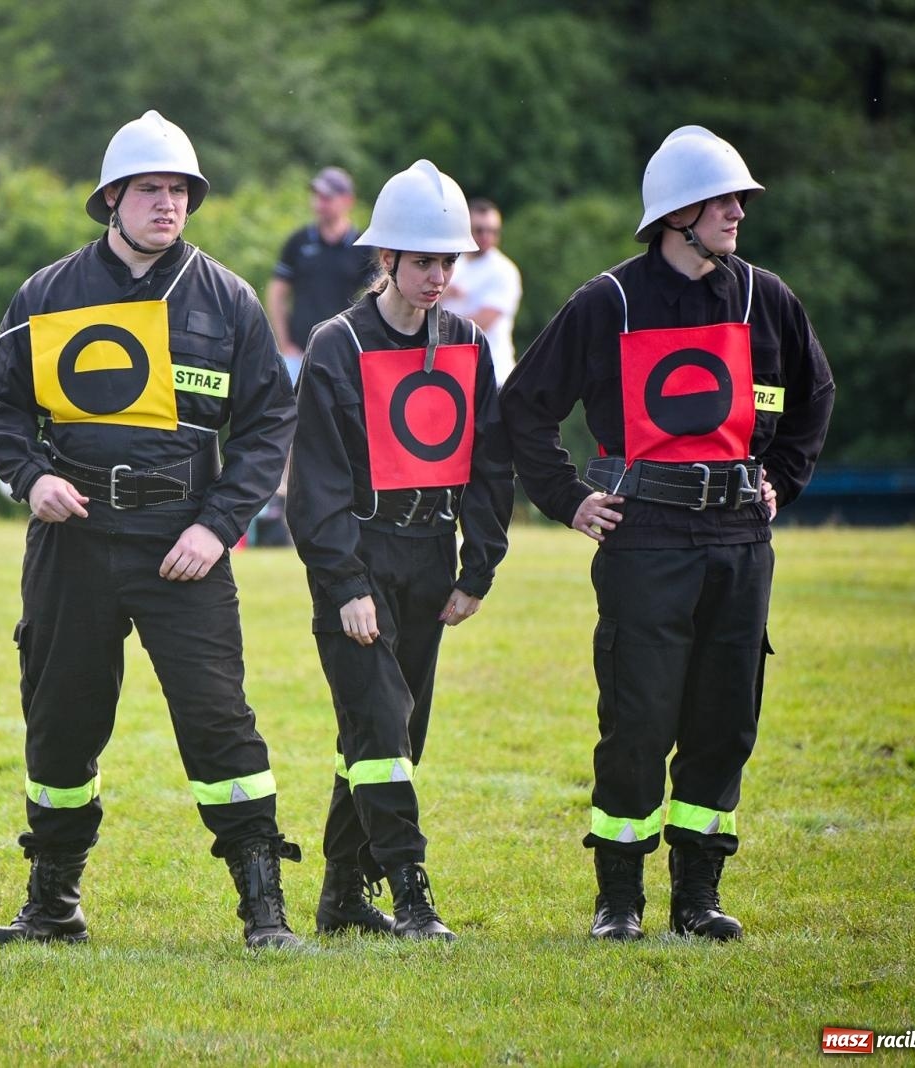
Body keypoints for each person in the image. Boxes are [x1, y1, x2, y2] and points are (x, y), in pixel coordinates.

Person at [0, 110, 302, 949]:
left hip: (182, 541)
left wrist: (218, 526)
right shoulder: (48, 292)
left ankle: (265, 912)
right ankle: (53, 907)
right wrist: (30, 475)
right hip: (72, 539)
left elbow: (269, 424)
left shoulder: (228, 299)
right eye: (150, 188)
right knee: (61, 720)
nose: (168, 203)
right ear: (112, 197)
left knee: (218, 718)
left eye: (180, 190)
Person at [501, 126, 835, 941]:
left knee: (725, 723)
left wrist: (782, 477)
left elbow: (814, 395)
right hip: (644, 538)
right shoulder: (608, 303)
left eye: (739, 200)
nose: (737, 213)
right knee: (639, 722)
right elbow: (524, 407)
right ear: (676, 214)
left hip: (739, 541)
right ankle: (619, 899)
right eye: (721, 201)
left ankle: (698, 897)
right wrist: (570, 500)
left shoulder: (766, 299)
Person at [287, 161, 513, 940]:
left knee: (390, 736)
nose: (438, 277)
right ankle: (411, 892)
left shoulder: (470, 344)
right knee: (381, 726)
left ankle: (343, 896)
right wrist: (345, 581)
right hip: (358, 553)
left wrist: (478, 568)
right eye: (423, 262)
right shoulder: (336, 344)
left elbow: (489, 463)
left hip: (431, 555)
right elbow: (314, 481)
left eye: (447, 262)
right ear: (386, 258)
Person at [266, 166, 375, 385]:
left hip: (343, 355)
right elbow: (276, 293)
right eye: (317, 196)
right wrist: (284, 343)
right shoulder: (299, 241)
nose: (320, 203)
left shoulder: (362, 247)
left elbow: (377, 296)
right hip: (297, 353)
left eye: (327, 197)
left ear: (348, 201)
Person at [439, 198, 522, 384]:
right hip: (453, 370)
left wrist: (431, 331)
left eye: (493, 231)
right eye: (479, 230)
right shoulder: (453, 262)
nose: (486, 236)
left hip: (491, 372)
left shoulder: (504, 270)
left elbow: (480, 324)